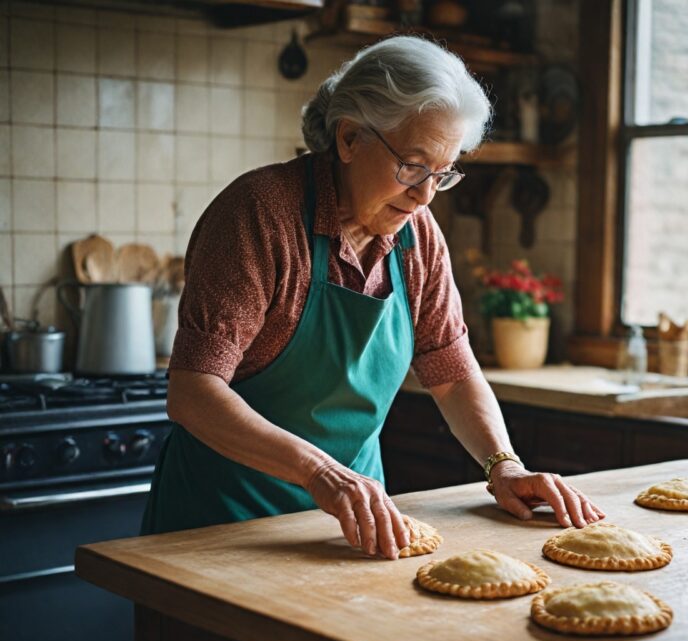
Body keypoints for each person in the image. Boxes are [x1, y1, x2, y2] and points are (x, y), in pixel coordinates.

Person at [141, 36, 603, 557]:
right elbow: (193, 392)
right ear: (349, 139)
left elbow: (452, 374)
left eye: (443, 174)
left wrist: (504, 466)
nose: (425, 195)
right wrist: (319, 472)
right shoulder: (258, 215)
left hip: (352, 528)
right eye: (412, 165)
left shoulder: (418, 237)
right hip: (218, 529)